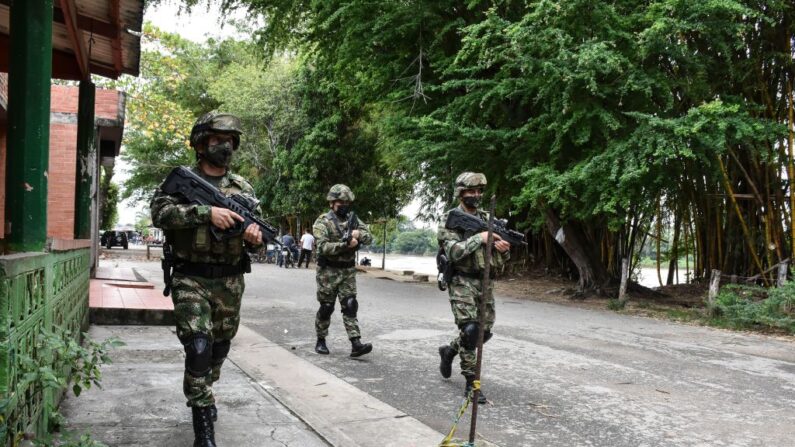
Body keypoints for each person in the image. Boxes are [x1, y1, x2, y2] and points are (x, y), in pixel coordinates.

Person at [151, 112, 263, 447]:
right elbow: (159, 214)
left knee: (219, 347)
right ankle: (203, 428)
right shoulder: (183, 180)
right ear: (201, 142)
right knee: (198, 346)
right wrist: (205, 213)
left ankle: (206, 390)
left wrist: (254, 238)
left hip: (229, 282)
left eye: (229, 140)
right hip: (190, 277)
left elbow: (255, 236)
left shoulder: (243, 189)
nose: (224, 146)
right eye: (217, 139)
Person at [437, 172, 511, 404]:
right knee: (470, 331)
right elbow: (453, 252)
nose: (476, 196)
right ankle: (472, 383)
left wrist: (503, 248)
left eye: (479, 192)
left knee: (484, 333)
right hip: (460, 280)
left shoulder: (491, 220)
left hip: (484, 281)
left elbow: (502, 258)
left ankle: (449, 350)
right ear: (461, 193)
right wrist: (479, 238)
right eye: (471, 191)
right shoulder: (450, 219)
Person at [312, 184, 374, 357]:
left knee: (350, 305)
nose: (344, 205)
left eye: (347, 202)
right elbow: (323, 247)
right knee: (326, 307)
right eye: (341, 202)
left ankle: (356, 343)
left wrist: (358, 235)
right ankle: (321, 339)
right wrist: (345, 245)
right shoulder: (322, 221)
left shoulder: (353, 219)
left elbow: (369, 236)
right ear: (332, 202)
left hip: (347, 271)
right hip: (328, 272)